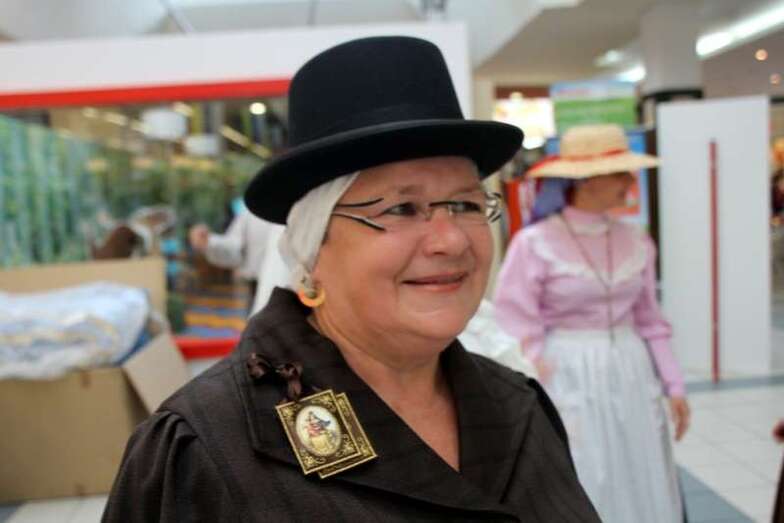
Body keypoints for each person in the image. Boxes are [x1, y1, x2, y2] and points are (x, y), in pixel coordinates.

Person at [103, 36, 600, 522]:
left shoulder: (517, 406)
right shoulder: (209, 450)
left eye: (467, 204)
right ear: (314, 248)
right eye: (402, 208)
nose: (451, 241)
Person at [494, 124, 690, 523]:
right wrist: (533, 390)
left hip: (631, 369)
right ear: (585, 179)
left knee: (639, 464)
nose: (630, 181)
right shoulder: (535, 243)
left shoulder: (636, 240)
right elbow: (517, 325)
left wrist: (674, 385)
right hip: (567, 371)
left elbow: (650, 320)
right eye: (619, 173)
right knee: (585, 466)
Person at [189, 201, 288, 312]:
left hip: (297, 292)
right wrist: (209, 242)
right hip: (256, 290)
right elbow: (234, 247)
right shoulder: (253, 212)